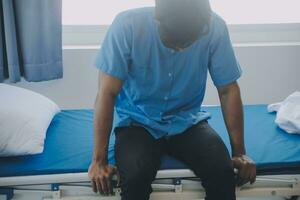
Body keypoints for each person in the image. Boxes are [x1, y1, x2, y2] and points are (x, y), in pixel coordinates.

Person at [88, 0, 256, 199]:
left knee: (222, 173)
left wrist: (239, 152)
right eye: (173, 41)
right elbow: (107, 93)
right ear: (158, 20)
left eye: (187, 42)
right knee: (135, 178)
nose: (179, 49)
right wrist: (98, 161)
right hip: (138, 122)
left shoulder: (214, 27)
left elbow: (228, 90)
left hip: (187, 121)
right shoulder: (127, 26)